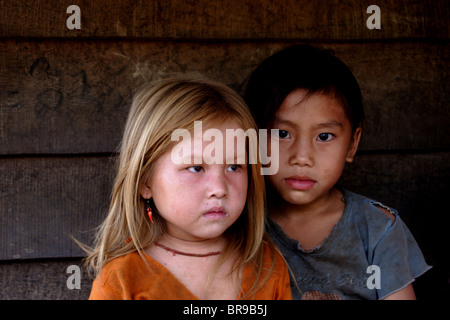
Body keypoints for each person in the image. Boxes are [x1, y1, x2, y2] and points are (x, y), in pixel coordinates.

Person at [243, 45, 431, 300]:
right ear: (252, 137)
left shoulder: (377, 229)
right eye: (282, 133)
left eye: (324, 136)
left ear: (352, 144)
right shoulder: (241, 223)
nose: (301, 157)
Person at [84, 76, 292, 300]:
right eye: (196, 168)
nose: (219, 188)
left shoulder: (267, 265)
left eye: (234, 166)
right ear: (145, 182)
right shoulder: (121, 279)